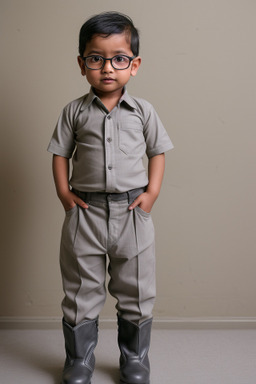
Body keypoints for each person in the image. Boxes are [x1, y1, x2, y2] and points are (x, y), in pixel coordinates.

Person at [48, 11, 173, 384]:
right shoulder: (74, 112)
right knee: (80, 290)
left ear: (134, 65)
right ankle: (79, 361)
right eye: (96, 58)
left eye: (119, 59)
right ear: (82, 64)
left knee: (136, 288)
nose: (107, 68)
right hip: (85, 213)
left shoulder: (143, 111)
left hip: (132, 213)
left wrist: (151, 193)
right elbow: (59, 154)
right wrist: (64, 194)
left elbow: (157, 152)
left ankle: (135, 360)